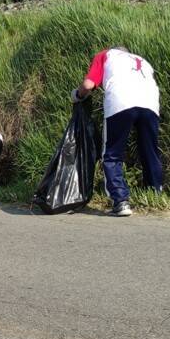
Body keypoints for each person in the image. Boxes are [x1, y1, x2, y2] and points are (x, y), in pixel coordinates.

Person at [71, 45, 162, 217]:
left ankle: (120, 201)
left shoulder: (105, 55)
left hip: (121, 103)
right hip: (150, 104)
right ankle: (155, 195)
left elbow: (88, 84)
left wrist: (77, 95)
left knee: (112, 153)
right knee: (150, 151)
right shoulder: (142, 60)